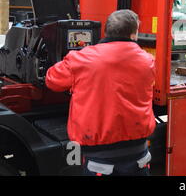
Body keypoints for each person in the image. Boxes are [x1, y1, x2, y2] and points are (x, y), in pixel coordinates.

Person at [45, 9, 156, 176]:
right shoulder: (148, 61)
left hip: (99, 157)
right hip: (138, 153)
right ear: (134, 34)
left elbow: (52, 81)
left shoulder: (81, 58)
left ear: (106, 31)